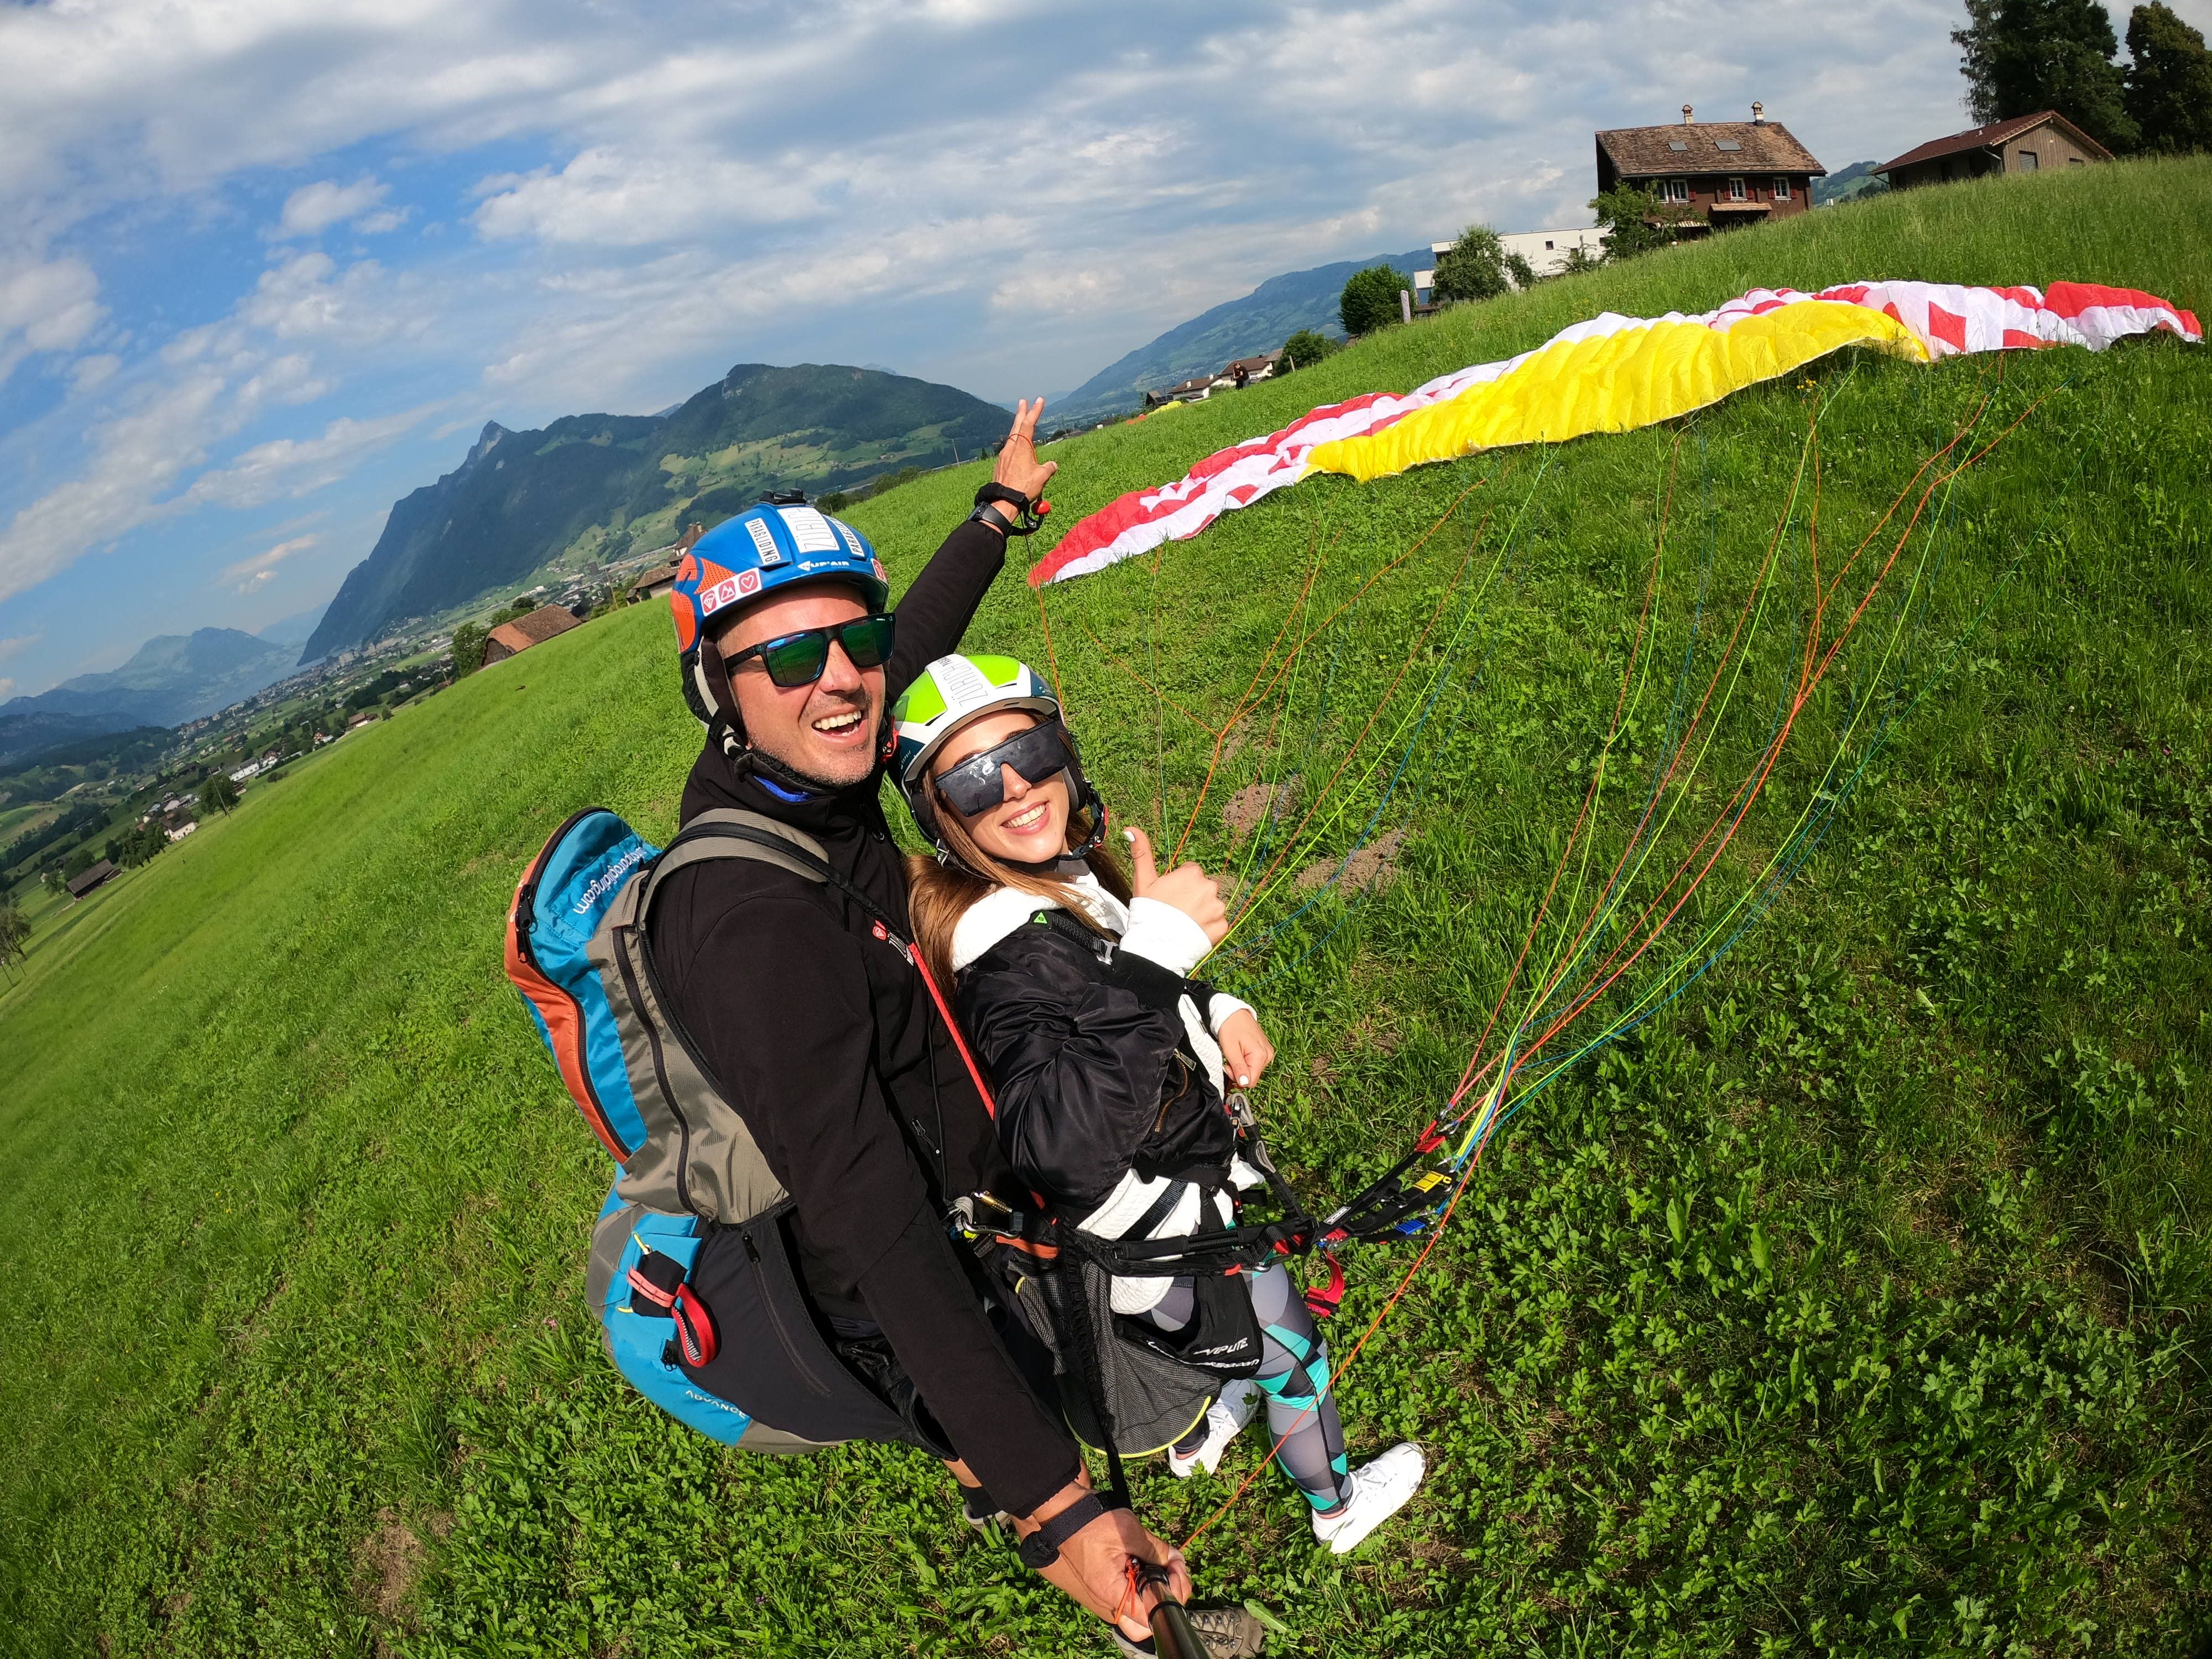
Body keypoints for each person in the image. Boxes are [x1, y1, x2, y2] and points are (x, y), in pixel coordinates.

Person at [649, 401, 1192, 1645]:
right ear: (718, 692)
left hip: (965, 1179)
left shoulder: (802, 763)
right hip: (890, 1270)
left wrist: (996, 515)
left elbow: (893, 652)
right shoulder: (746, 920)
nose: (840, 681)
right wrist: (1055, 1500)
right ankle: (1036, 1523)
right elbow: (868, 1219)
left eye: (858, 645)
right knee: (1007, 1429)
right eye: (789, 662)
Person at [891, 653, 1427, 1555]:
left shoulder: (1047, 884)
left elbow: (1123, 991)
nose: (1016, 785)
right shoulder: (1002, 949)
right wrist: (1153, 962)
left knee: (1226, 1335)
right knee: (1295, 1351)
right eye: (975, 775)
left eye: (1028, 746)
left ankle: (1214, 1403)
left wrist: (1218, 1006)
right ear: (942, 815)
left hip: (1176, 1208)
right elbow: (1059, 1143)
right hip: (1161, 1235)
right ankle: (1336, 1509)